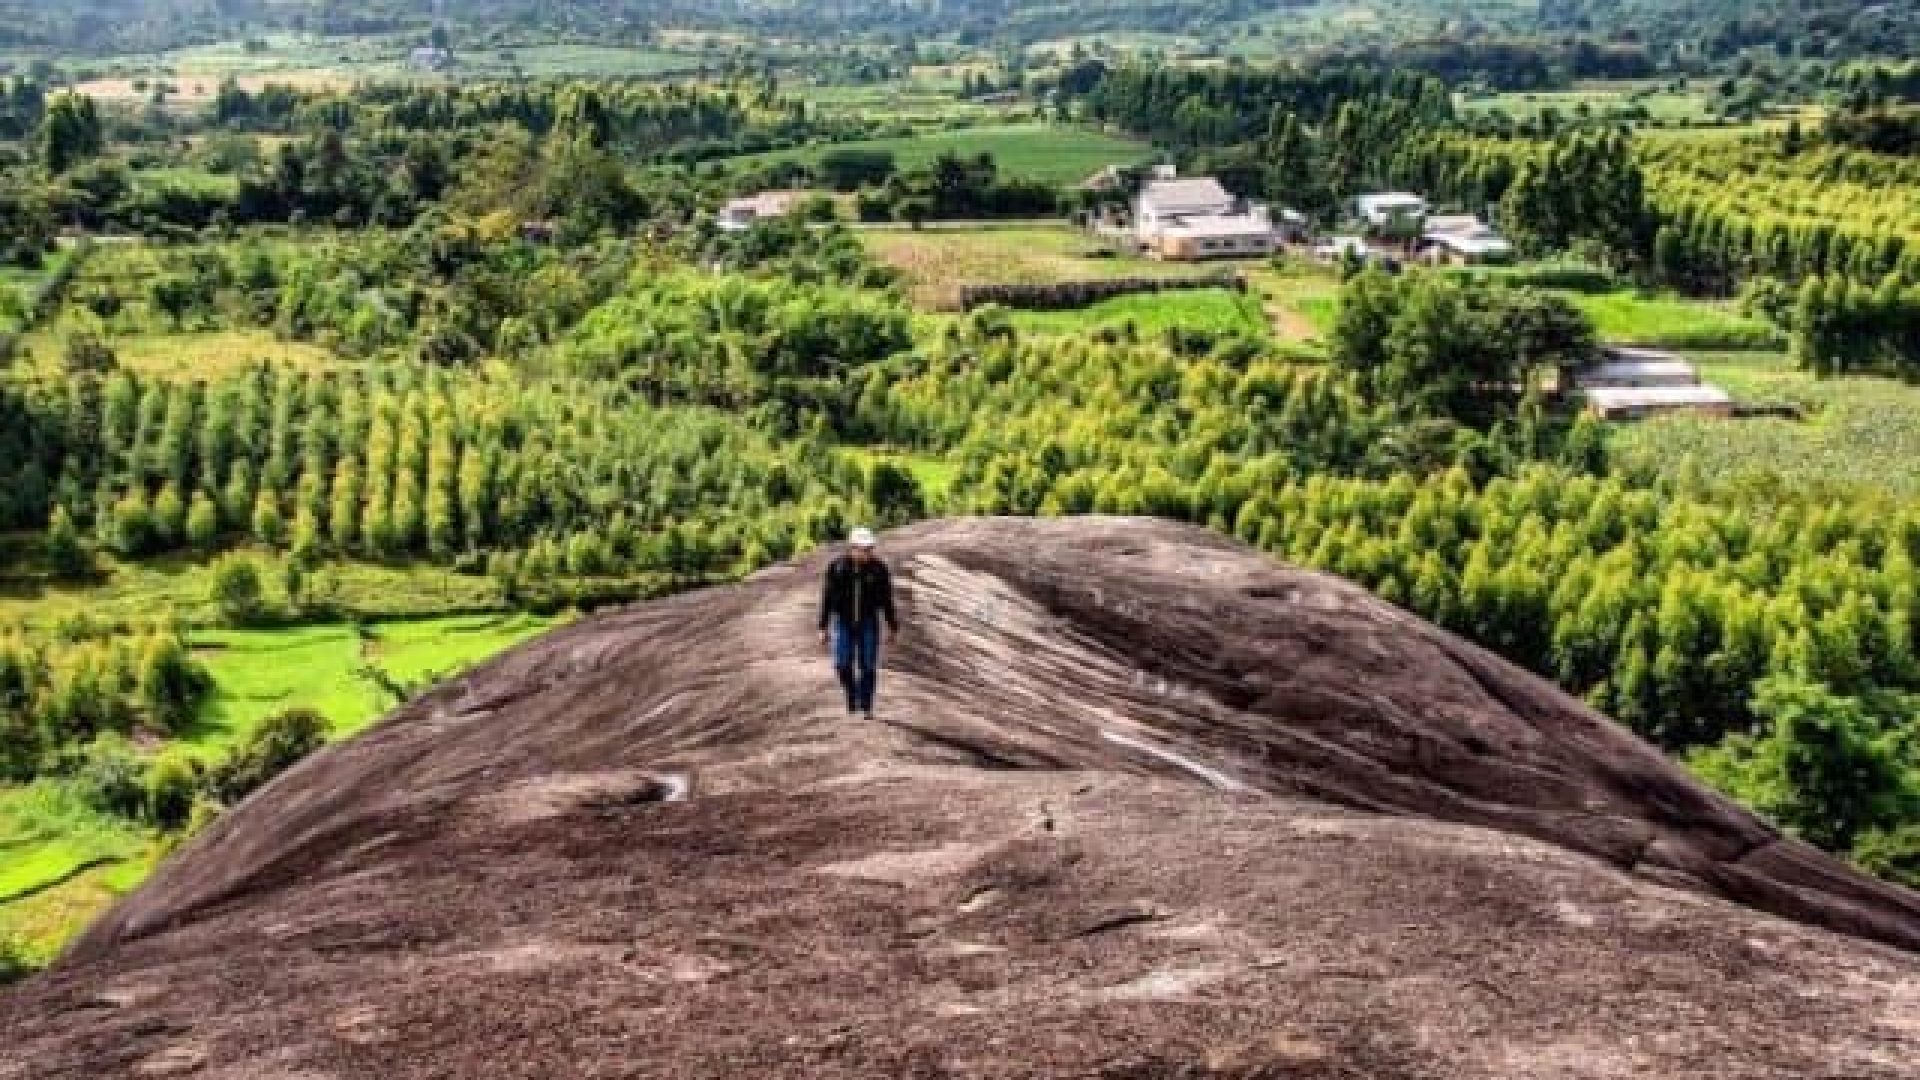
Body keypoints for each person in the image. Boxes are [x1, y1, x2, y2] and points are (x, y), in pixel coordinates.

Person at [818, 526, 899, 719]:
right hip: (843, 622)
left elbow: (887, 599)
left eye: (870, 548)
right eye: (863, 549)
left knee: (868, 665)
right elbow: (827, 597)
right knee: (842, 664)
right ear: (852, 548)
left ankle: (866, 706)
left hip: (868, 622)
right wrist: (822, 626)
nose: (867, 553)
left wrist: (892, 625)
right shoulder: (837, 568)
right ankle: (852, 694)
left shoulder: (879, 569)